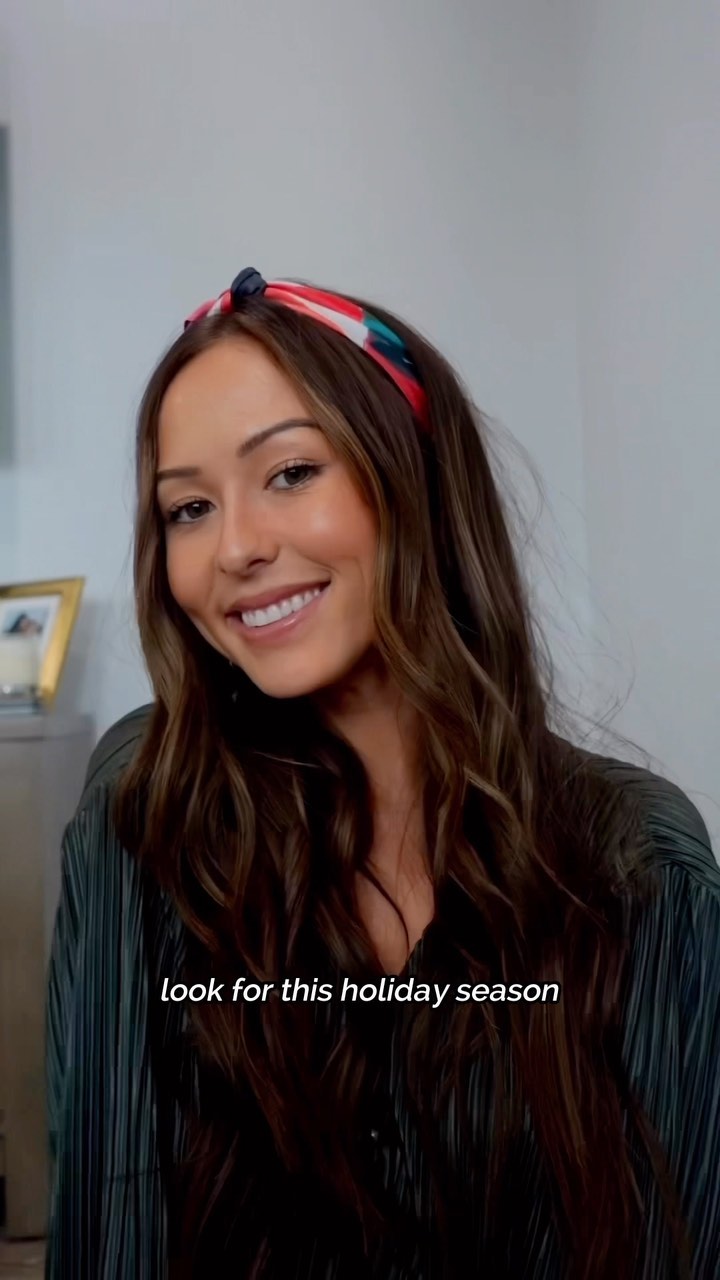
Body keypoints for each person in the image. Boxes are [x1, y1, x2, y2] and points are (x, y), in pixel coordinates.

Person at [45, 268, 720, 1280]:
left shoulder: (639, 860)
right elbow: (110, 1220)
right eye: (187, 507)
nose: (234, 548)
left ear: (418, 479)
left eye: (289, 472)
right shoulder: (146, 812)